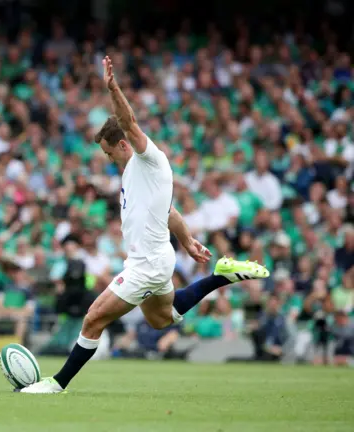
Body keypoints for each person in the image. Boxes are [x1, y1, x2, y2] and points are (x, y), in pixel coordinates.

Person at [19, 57, 270, 394]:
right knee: (160, 319)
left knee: (93, 318)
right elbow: (170, 212)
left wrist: (113, 88)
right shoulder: (134, 173)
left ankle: (57, 384)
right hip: (155, 258)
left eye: (109, 153)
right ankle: (220, 276)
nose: (109, 160)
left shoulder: (147, 159)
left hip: (148, 264)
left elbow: (128, 120)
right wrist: (188, 241)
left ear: (123, 144)